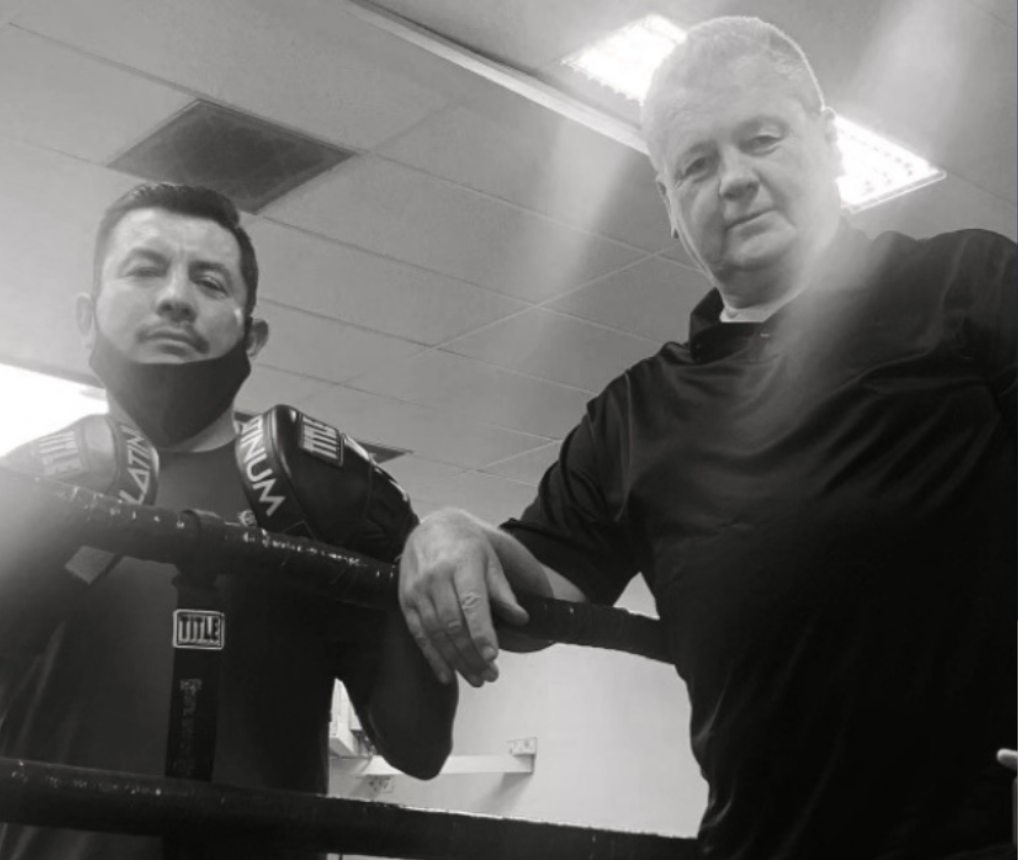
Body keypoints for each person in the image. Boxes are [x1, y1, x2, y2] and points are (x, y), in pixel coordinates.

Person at [398, 16, 1015, 860]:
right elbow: (545, 590)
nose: (734, 181)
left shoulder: (967, 287)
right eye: (697, 163)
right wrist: (454, 531)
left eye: (761, 138)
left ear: (828, 142)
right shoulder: (635, 414)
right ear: (670, 204)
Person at [0, 182, 455, 860]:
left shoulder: (318, 500)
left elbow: (419, 746)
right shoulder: (21, 488)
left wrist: (397, 539)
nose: (175, 297)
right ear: (87, 319)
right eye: (144, 270)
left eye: (210, 281)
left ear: (253, 334)